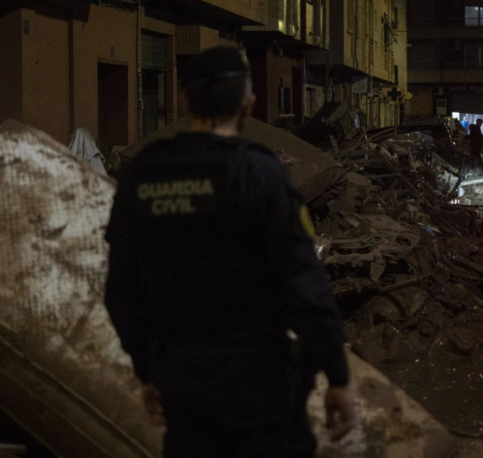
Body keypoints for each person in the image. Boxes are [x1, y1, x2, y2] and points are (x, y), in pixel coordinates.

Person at [104, 46, 356, 458]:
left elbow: (121, 291)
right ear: (247, 103)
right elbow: (306, 284)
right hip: (261, 381)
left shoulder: (144, 173)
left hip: (183, 382)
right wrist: (337, 375)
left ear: (184, 100)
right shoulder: (260, 172)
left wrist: (147, 371)